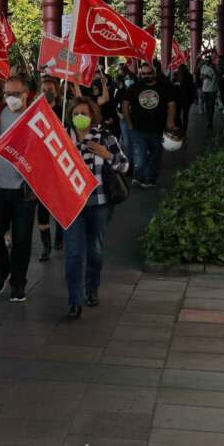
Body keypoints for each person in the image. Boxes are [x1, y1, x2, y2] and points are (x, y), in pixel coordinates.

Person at [63, 96, 129, 319]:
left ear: (92, 116)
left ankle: (92, 289)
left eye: (84, 113)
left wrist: (106, 154)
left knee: (96, 251)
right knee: (73, 253)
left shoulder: (105, 137)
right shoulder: (62, 137)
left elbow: (125, 164)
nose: (80, 117)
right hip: (71, 205)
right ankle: (75, 300)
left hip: (99, 204)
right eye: (75, 114)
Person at [0, 75, 37, 302]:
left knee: (22, 240)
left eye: (16, 93)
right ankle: (3, 269)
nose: (11, 98)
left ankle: (18, 283)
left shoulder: (36, 117)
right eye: (8, 93)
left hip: (24, 190)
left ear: (26, 94)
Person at [123, 63, 178, 188]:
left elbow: (171, 104)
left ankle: (151, 179)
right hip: (138, 129)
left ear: (154, 73)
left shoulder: (164, 87)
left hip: (158, 129)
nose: (146, 76)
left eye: (149, 73)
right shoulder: (134, 87)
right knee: (139, 155)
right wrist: (129, 123)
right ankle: (138, 177)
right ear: (140, 74)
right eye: (143, 74)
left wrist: (170, 121)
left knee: (156, 156)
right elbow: (125, 104)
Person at [36, 77, 65, 259]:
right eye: (44, 88)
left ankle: (60, 237)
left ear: (56, 91)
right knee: (43, 207)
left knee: (60, 203)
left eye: (50, 88)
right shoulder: (36, 112)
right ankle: (45, 247)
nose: (47, 91)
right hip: (42, 166)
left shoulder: (63, 111)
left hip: (60, 164)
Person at [174, 63, 197, 134]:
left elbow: (174, 87)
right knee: (185, 115)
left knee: (177, 115)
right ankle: (184, 129)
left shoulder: (178, 77)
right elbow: (193, 88)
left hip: (179, 99)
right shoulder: (189, 77)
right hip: (188, 100)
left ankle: (180, 128)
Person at [199, 53, 219, 129]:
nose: (206, 61)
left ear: (210, 61)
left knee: (211, 106)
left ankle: (210, 121)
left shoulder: (214, 67)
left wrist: (207, 76)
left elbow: (217, 75)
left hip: (213, 90)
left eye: (208, 60)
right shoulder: (203, 67)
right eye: (205, 60)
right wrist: (205, 76)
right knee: (207, 106)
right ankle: (209, 119)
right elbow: (201, 76)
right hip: (205, 89)